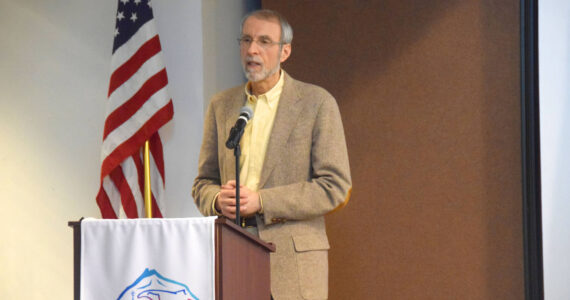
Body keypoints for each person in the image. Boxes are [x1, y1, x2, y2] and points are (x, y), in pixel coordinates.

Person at [192, 9, 351, 300]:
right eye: (247, 40)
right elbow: (203, 183)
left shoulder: (316, 103)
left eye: (265, 41)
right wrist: (217, 199)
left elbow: (334, 187)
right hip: (232, 256)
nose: (252, 49)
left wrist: (262, 201)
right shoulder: (221, 105)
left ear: (285, 51)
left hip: (294, 264)